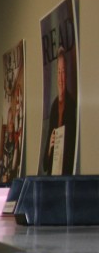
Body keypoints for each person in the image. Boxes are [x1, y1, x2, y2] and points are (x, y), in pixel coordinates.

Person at [42, 46, 77, 175]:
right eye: (59, 72)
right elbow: (45, 165)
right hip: (52, 179)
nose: (61, 77)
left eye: (63, 72)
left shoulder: (72, 106)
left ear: (66, 75)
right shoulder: (53, 108)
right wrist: (50, 148)